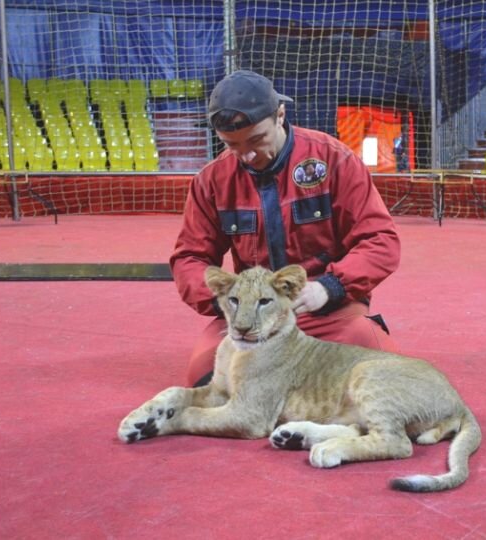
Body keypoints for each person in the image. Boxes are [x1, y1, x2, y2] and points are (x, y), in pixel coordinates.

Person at [171, 70, 401, 386]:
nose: (246, 155)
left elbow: (380, 240)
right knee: (205, 380)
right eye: (231, 144)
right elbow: (189, 259)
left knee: (382, 376)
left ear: (281, 115)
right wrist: (230, 302)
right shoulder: (211, 181)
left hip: (327, 312)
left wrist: (329, 288)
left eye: (256, 139)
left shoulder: (333, 159)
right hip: (251, 320)